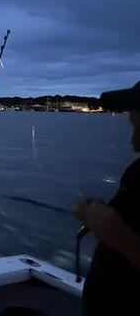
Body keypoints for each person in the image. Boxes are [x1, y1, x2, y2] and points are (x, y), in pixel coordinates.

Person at [75, 81, 140, 315]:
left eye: (139, 126)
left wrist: (119, 235)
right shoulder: (136, 173)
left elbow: (123, 235)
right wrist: (98, 214)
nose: (133, 142)